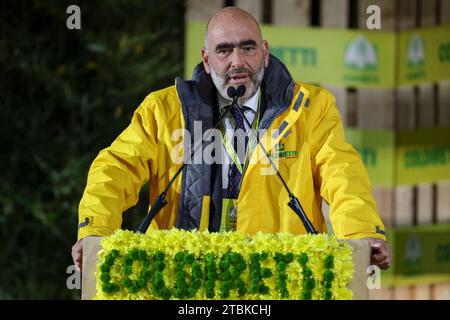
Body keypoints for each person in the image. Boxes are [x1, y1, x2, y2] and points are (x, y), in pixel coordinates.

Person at [72, 7, 391, 272]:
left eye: (247, 47)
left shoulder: (311, 108)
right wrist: (95, 232)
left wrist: (363, 233)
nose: (237, 61)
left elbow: (343, 174)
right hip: (186, 279)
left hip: (279, 279)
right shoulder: (164, 110)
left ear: (264, 53)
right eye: (224, 50)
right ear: (207, 59)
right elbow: (116, 169)